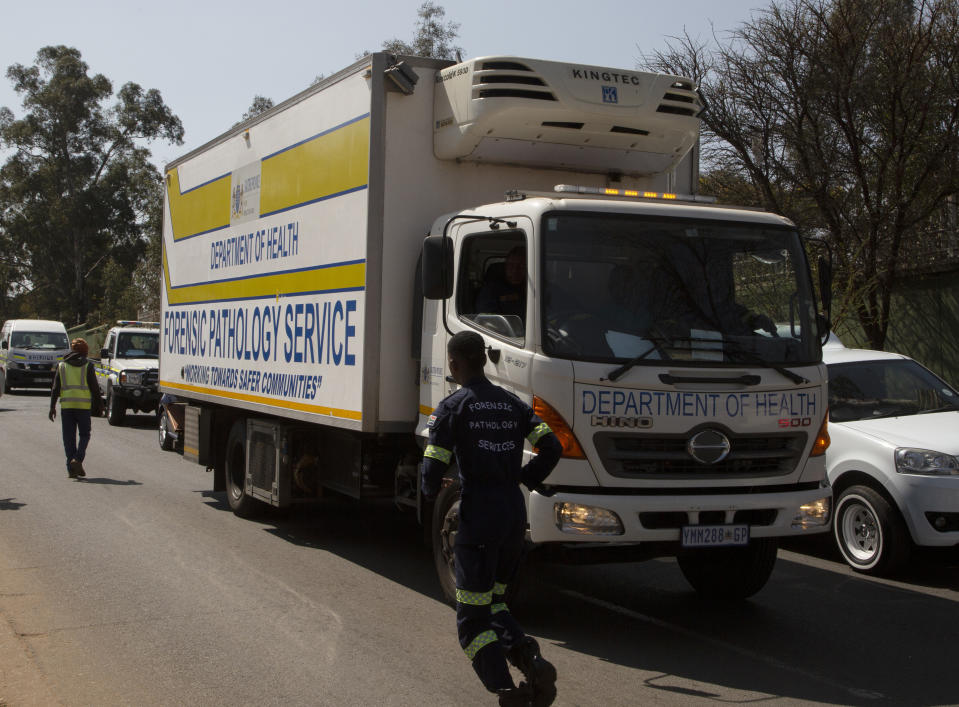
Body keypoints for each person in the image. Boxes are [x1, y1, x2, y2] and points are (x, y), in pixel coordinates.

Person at [422, 331, 563, 706]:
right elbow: (552, 445)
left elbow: (432, 462)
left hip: (479, 519)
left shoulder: (455, 406)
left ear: (453, 363)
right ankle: (531, 660)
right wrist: (524, 479)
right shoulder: (512, 404)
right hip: (513, 516)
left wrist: (430, 489)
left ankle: (504, 690)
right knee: (496, 602)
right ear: (483, 360)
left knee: (471, 617)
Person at [49, 338, 103, 479]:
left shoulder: (62, 365)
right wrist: (100, 405)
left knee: (68, 438)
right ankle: (77, 460)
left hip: (66, 407)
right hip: (83, 407)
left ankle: (71, 469)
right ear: (85, 351)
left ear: (72, 350)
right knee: (85, 435)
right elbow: (95, 389)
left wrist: (52, 407)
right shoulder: (87, 366)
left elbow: (55, 388)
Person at [475, 246, 526, 320]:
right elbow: (487, 318)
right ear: (505, 266)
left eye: (521, 266)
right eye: (511, 265)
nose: (515, 270)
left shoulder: (533, 289)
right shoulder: (491, 289)